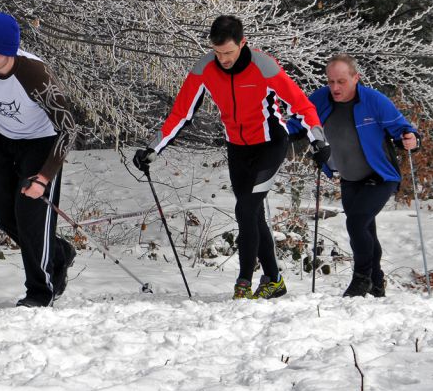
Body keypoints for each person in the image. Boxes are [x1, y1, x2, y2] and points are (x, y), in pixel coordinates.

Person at [134, 15, 330, 300]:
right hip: (237, 149)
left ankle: (243, 283)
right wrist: (153, 148)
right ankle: (274, 280)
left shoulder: (264, 66)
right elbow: (181, 114)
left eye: (228, 52)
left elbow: (301, 105)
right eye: (217, 52)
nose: (223, 59)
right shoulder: (204, 69)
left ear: (242, 43)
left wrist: (318, 140)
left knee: (245, 210)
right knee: (251, 214)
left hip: (270, 145)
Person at [0, 12, 78, 307]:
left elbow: (70, 128)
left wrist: (44, 177)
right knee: (6, 218)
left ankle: (40, 291)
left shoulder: (34, 75)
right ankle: (59, 254)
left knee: (31, 219)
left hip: (42, 145)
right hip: (5, 142)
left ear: (9, 50)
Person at [307, 54, 419, 298]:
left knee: (356, 222)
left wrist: (411, 139)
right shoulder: (320, 100)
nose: (335, 87)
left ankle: (361, 280)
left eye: (341, 81)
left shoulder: (374, 100)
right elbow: (297, 122)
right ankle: (377, 282)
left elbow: (403, 129)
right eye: (331, 81)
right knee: (365, 228)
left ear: (355, 78)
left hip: (380, 176)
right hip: (350, 177)